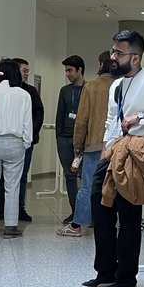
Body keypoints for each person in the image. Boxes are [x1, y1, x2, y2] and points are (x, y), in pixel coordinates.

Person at [80, 30, 144, 287]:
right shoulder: (116, 85)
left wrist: (141, 117)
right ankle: (106, 272)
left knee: (129, 214)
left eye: (118, 53)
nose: (112, 57)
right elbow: (112, 120)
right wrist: (105, 150)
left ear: (135, 57)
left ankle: (127, 278)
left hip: (138, 152)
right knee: (99, 204)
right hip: (115, 151)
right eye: (112, 52)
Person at [59, 50, 114, 237]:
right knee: (117, 185)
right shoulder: (123, 85)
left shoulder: (92, 86)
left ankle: (77, 226)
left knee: (88, 185)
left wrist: (77, 145)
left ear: (101, 65)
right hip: (118, 145)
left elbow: (81, 120)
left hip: (94, 144)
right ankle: (113, 224)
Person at [0, 59, 32, 239]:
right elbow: (28, 123)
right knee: (12, 187)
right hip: (15, 144)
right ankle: (10, 228)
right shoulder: (24, 94)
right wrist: (26, 143)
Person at [0, 57, 44, 221]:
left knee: (21, 177)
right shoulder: (2, 91)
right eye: (23, 71)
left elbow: (38, 114)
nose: (26, 75)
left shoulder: (30, 92)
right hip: (4, 139)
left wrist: (28, 137)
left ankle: (19, 208)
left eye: (27, 72)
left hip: (25, 140)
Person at [55, 55, 85, 224]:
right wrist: (58, 137)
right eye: (66, 70)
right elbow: (60, 115)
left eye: (70, 70)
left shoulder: (89, 89)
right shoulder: (65, 91)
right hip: (65, 139)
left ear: (79, 70)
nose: (67, 73)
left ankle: (84, 212)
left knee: (85, 177)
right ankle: (74, 211)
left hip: (83, 140)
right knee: (70, 176)